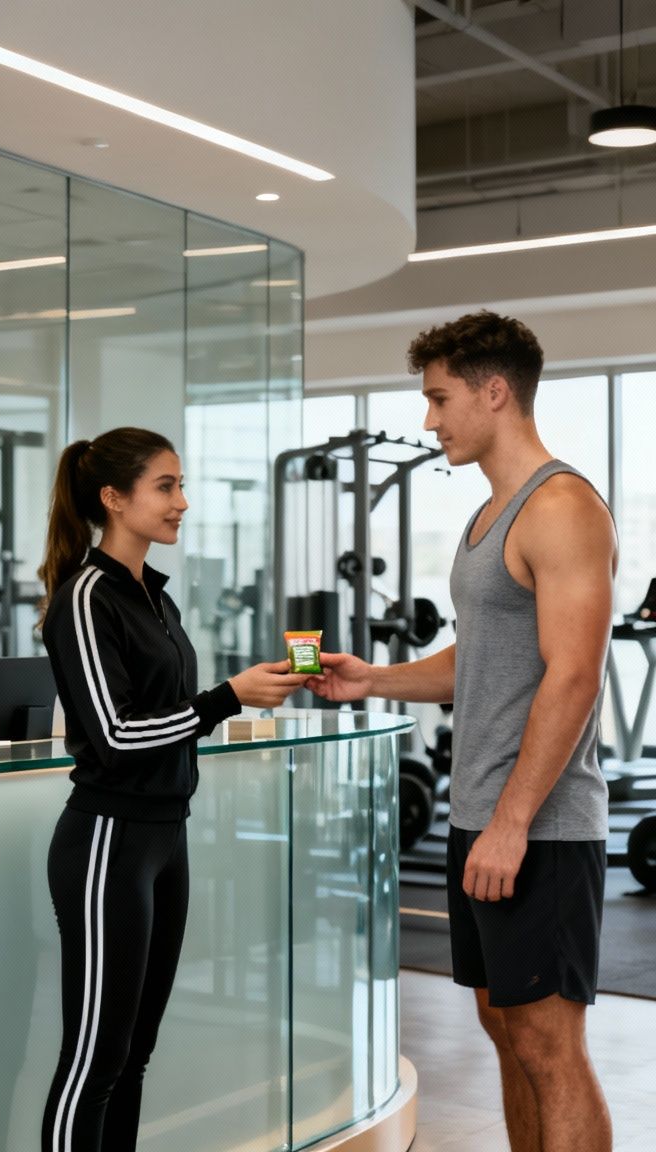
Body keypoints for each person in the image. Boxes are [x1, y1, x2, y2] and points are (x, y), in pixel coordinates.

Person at [309, 311, 613, 1152]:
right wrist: (374, 679)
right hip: (480, 817)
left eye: (441, 399)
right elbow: (475, 659)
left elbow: (574, 675)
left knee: (550, 1048)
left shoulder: (561, 507)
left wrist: (513, 824)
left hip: (541, 827)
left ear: (495, 392)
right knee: (507, 1034)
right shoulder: (490, 516)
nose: (430, 419)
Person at [35, 427, 306, 1152]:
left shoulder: (155, 599)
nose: (182, 501)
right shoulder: (86, 597)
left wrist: (239, 695)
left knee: (132, 1056)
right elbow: (117, 735)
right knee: (93, 1062)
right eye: (166, 486)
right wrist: (228, 697)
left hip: (164, 838)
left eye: (180, 485)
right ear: (113, 498)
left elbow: (168, 719)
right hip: (108, 842)